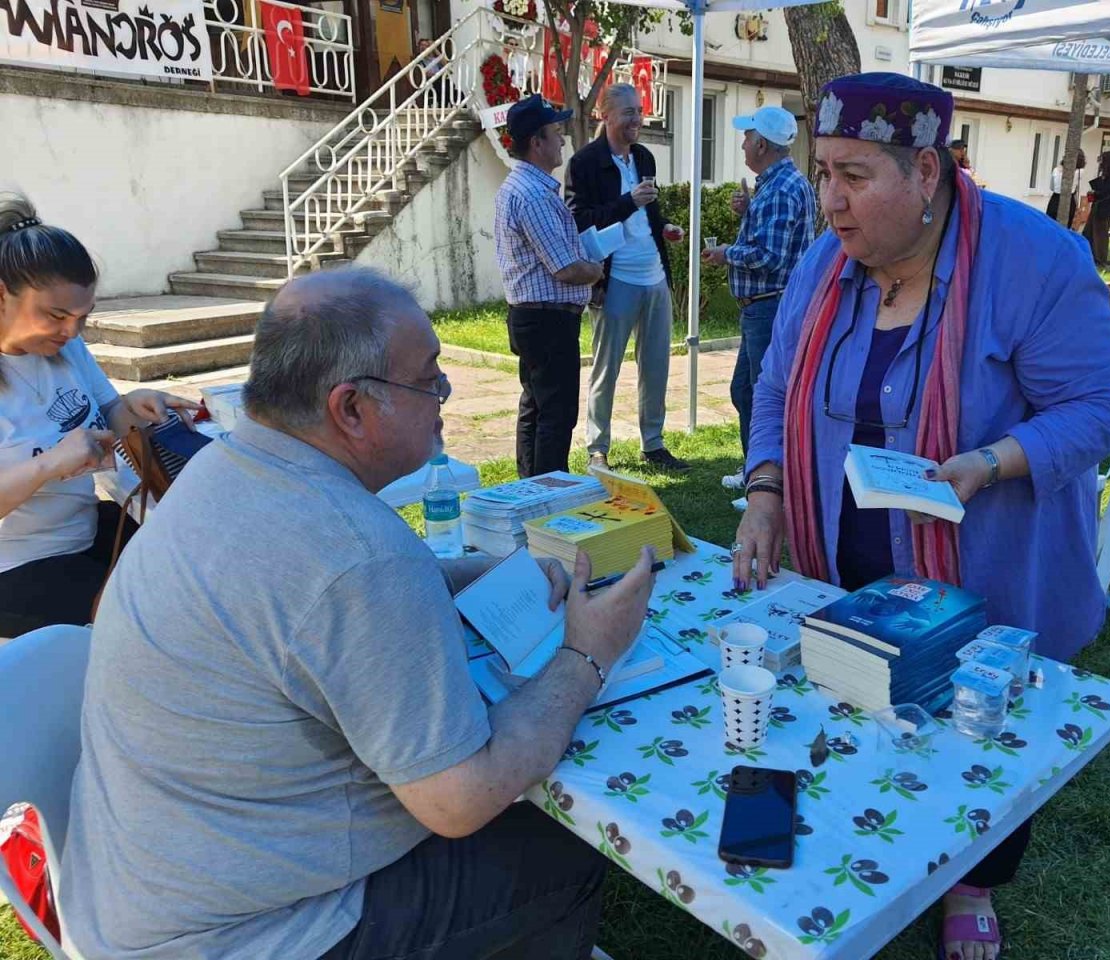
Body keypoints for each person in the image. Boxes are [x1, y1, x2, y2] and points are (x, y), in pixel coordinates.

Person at [60, 267, 659, 960]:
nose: (444, 396)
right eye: (429, 379)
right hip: (241, 937)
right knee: (556, 855)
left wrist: (480, 570)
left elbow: (315, 606)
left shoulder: (227, 471)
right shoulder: (354, 553)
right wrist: (588, 654)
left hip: (145, 893)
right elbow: (462, 799)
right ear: (350, 408)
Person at [731, 74, 1110, 960]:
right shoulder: (823, 263)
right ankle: (863, 827)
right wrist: (767, 490)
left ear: (926, 171)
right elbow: (774, 386)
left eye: (853, 175)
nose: (830, 201)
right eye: (822, 172)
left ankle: (972, 882)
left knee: (979, 729)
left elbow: (1108, 405)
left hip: (985, 555)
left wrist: (991, 463)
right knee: (853, 695)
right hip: (843, 548)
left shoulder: (1036, 261)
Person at [0, 193, 196, 637]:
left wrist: (142, 406)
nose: (71, 331)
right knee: (158, 622)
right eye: (55, 315)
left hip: (85, 529)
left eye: (83, 317)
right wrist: (48, 464)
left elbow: (111, 411)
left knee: (200, 569)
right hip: (17, 567)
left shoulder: (66, 347)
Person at [566, 83, 689, 473]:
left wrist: (666, 226)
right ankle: (597, 447)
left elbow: (649, 211)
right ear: (606, 115)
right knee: (607, 366)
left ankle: (653, 444)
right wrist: (627, 202)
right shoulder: (584, 163)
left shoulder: (644, 157)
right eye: (629, 113)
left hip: (654, 276)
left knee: (656, 366)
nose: (638, 119)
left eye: (639, 111)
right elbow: (578, 221)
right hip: (614, 279)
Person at [701, 106, 815, 491]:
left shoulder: (781, 190)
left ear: (763, 144)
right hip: (766, 307)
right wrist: (750, 212)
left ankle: (767, 481)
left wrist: (725, 253)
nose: (744, 144)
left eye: (747, 137)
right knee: (746, 391)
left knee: (764, 397)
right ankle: (757, 468)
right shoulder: (779, 184)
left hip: (770, 307)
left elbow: (769, 257)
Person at [495, 96, 603, 478]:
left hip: (535, 316)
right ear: (536, 142)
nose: (563, 141)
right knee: (555, 412)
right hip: (547, 319)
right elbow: (565, 268)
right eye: (556, 133)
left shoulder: (521, 187)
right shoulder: (534, 195)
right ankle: (546, 492)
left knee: (537, 406)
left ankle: (531, 485)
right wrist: (596, 270)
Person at [1083, 150, 1110, 268]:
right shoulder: (1109, 176)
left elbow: (1104, 192)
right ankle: (1090, 256)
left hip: (1104, 207)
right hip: (1100, 206)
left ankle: (1100, 259)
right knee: (1089, 232)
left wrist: (1095, 193)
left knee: (1100, 235)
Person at [1047, 150, 1086, 226]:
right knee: (1065, 226)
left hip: (1055, 198)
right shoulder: (1080, 172)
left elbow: (1051, 187)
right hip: (1070, 199)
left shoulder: (1056, 170)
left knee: (1051, 224)